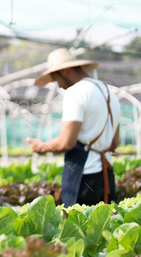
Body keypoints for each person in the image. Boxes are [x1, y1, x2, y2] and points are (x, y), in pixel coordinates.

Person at [25, 48, 120, 207]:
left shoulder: (76, 92)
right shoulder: (108, 92)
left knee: (78, 228)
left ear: (65, 71)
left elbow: (66, 143)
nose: (59, 86)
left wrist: (41, 147)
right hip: (107, 177)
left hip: (83, 178)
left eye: (56, 79)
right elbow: (114, 143)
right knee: (103, 227)